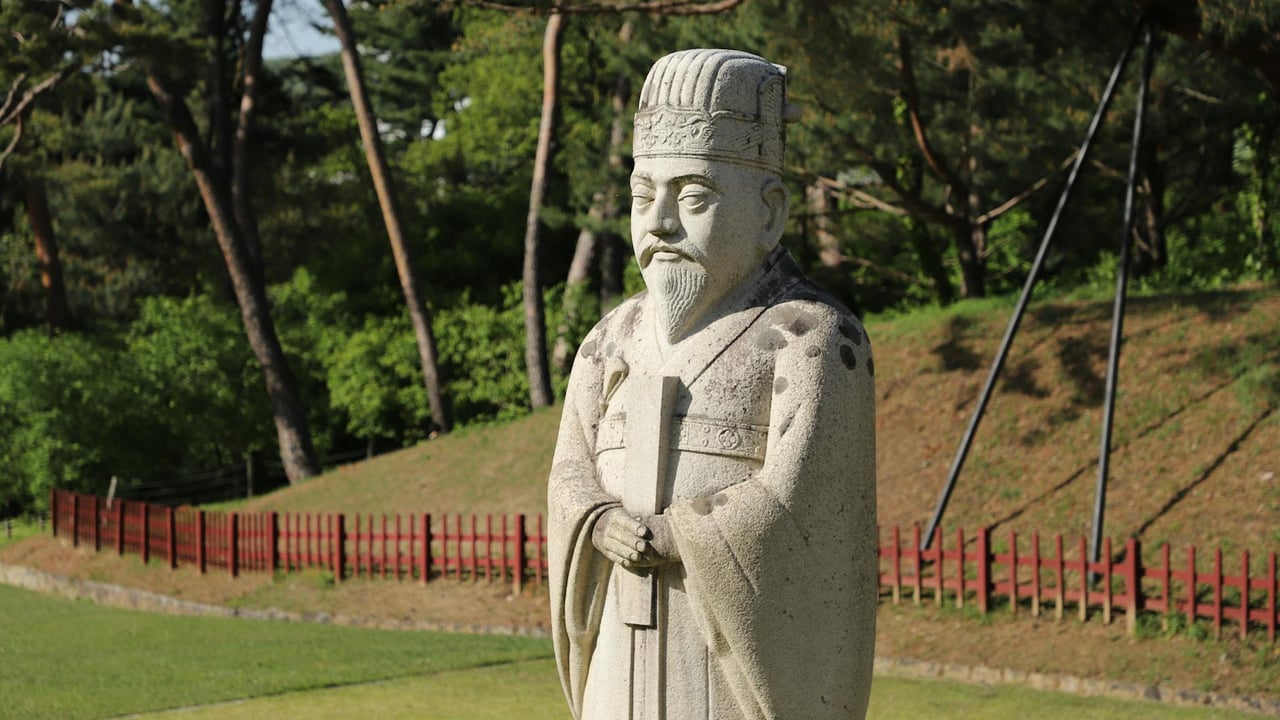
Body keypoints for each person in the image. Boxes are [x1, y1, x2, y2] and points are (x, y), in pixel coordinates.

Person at [548, 48, 877, 720]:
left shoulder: (811, 337)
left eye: (693, 196)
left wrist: (681, 535)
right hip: (620, 634)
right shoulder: (608, 339)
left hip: (726, 659)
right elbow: (568, 474)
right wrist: (599, 521)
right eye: (645, 196)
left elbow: (803, 502)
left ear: (769, 212)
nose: (660, 223)